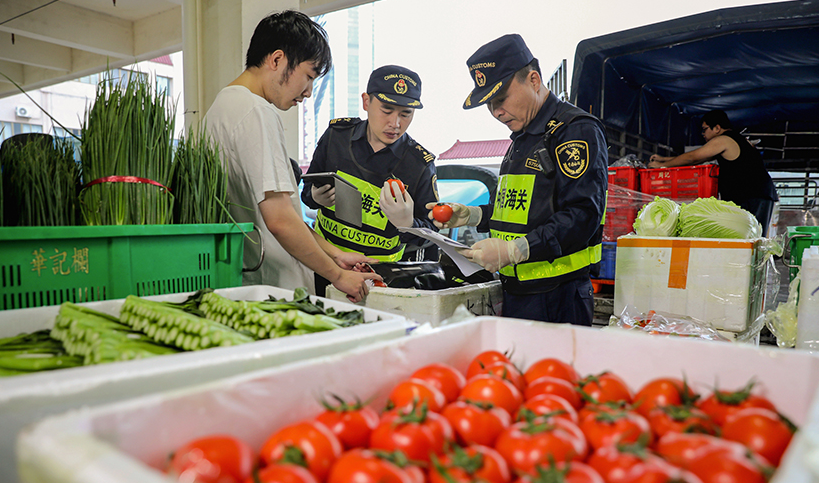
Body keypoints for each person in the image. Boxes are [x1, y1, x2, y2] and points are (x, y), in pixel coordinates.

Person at [429, 34, 608, 325]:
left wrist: (515, 250)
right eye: (489, 104)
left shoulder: (573, 131)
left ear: (534, 80)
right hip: (517, 292)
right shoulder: (522, 138)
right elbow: (520, 211)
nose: (496, 112)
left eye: (501, 99)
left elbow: (582, 215)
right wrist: (474, 215)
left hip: (558, 297)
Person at [204, 10, 380, 302]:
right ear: (277, 60)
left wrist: (336, 254)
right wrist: (338, 277)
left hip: (245, 283)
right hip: (272, 289)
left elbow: (283, 213)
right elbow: (280, 220)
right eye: (308, 77)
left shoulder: (220, 108)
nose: (309, 92)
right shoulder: (256, 112)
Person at [302, 64, 440, 295]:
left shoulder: (419, 164)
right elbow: (308, 190)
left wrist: (408, 225)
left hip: (379, 278)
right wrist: (315, 197)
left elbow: (431, 236)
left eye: (406, 114)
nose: (395, 123)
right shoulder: (336, 137)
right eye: (386, 110)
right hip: (325, 265)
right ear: (366, 102)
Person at [648, 110, 778, 236]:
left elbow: (693, 157)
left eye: (705, 129)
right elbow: (700, 158)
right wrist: (664, 159)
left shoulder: (724, 140)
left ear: (717, 128)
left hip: (753, 196)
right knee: (748, 238)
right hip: (756, 195)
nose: (703, 134)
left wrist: (662, 166)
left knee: (750, 238)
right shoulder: (736, 139)